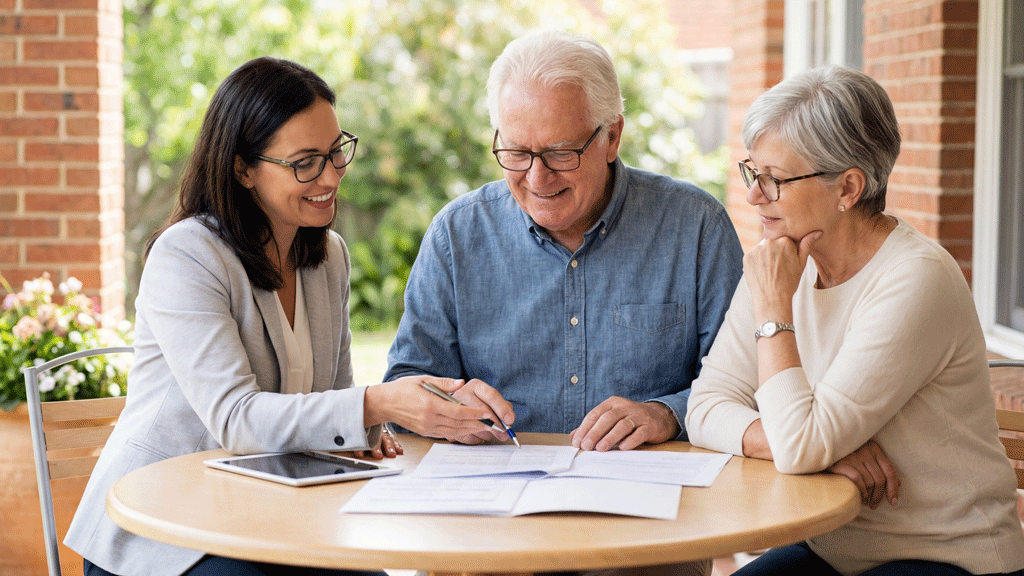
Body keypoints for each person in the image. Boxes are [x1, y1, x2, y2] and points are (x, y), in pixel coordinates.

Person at [65, 57, 505, 576]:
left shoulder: (329, 256)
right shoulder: (187, 255)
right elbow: (236, 419)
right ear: (243, 169)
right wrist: (378, 403)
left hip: (271, 519)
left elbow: (335, 395)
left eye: (337, 152)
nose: (331, 176)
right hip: (166, 532)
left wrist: (379, 425)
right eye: (305, 162)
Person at [385, 29, 742, 576]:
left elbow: (745, 387)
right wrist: (444, 402)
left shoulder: (694, 227)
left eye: (560, 153)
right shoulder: (458, 234)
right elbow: (407, 385)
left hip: (644, 545)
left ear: (612, 137)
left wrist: (667, 414)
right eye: (517, 152)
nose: (536, 177)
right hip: (488, 542)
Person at [685, 64, 1024, 576]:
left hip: (946, 554)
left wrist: (775, 313)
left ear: (847, 187)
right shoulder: (784, 262)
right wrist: (814, 449)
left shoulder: (915, 278)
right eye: (753, 173)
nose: (755, 196)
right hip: (832, 549)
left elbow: (801, 445)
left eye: (774, 179)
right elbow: (705, 407)